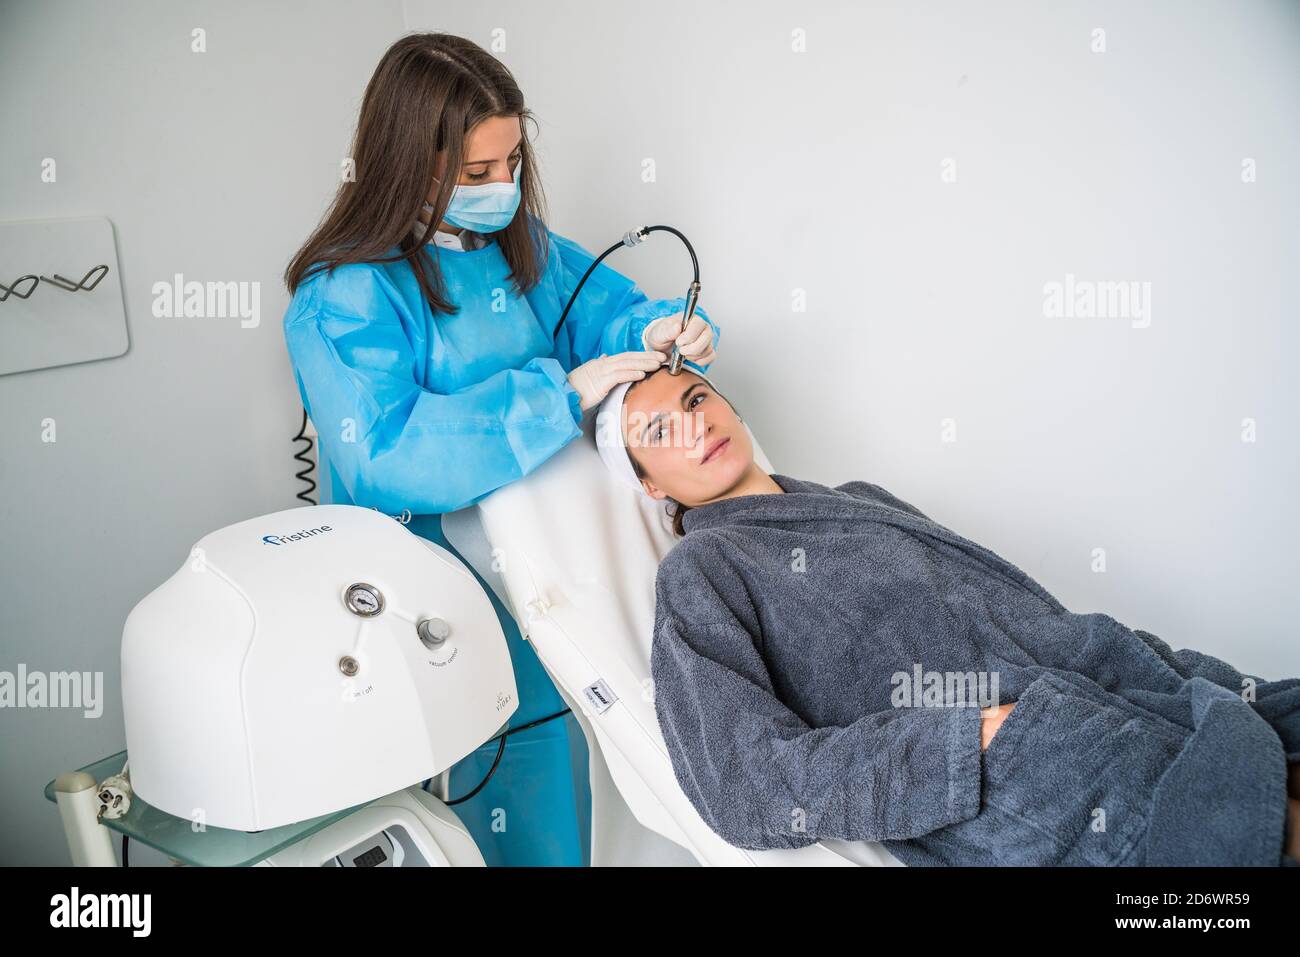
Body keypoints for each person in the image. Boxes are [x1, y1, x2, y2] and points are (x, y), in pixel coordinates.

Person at [279, 33, 720, 866]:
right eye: (476, 174)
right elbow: (389, 449)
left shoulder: (518, 249)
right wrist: (556, 398)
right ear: (406, 163)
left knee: (594, 776)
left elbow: (599, 311)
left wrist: (655, 329)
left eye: (512, 162)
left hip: (557, 577)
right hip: (437, 604)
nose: (502, 189)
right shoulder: (342, 296)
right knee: (494, 802)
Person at [594, 365, 1300, 865]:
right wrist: (969, 742)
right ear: (650, 482)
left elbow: (1028, 615)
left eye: (696, 398)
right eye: (660, 430)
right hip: (1042, 785)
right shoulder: (700, 573)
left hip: (1125, 697)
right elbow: (746, 785)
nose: (692, 425)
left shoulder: (857, 495)